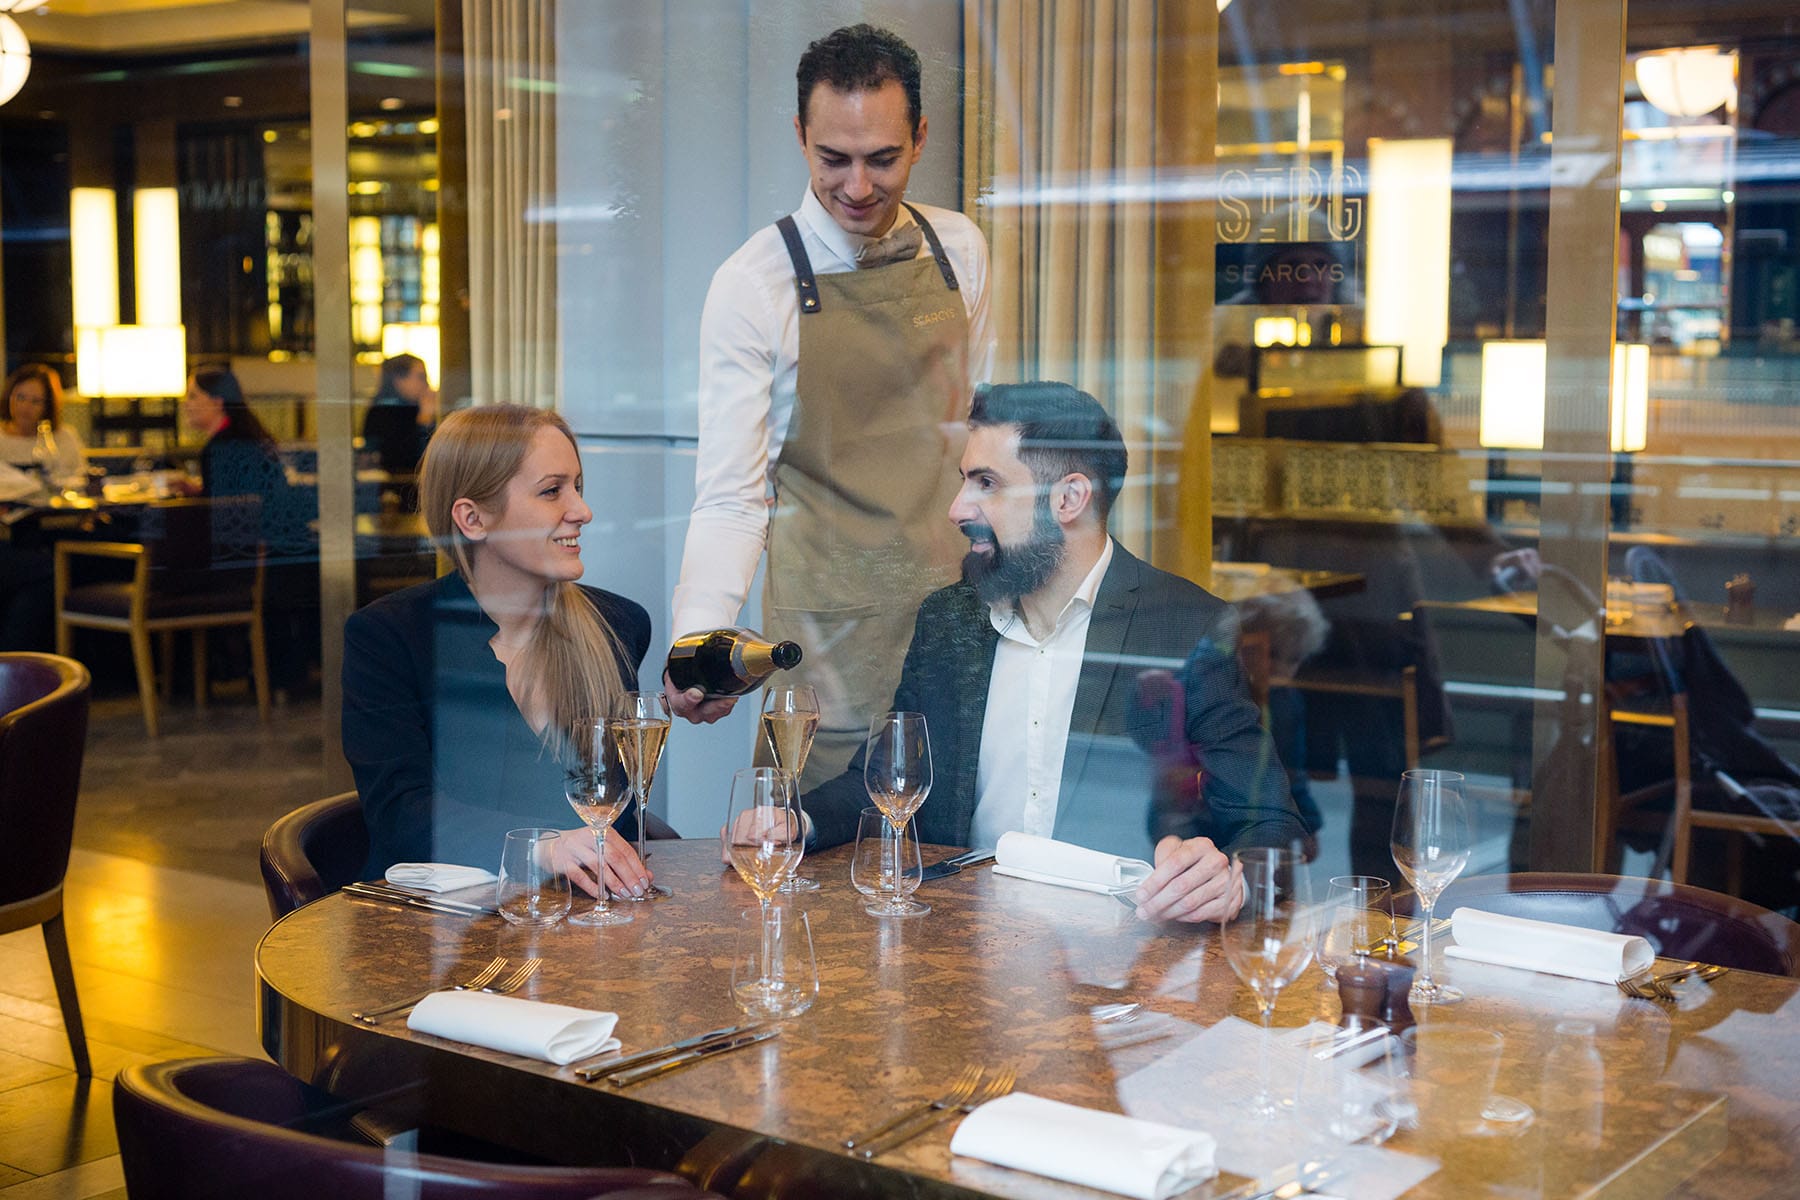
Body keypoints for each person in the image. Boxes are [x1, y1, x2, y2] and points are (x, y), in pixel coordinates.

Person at [801, 382, 1306, 923]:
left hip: (1114, 962)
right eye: (964, 481)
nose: (956, 508)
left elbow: (1271, 826)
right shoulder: (950, 620)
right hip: (953, 945)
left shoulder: (1186, 628)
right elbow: (882, 782)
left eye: (987, 483)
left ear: (1068, 499)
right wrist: (795, 823)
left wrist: (1229, 880)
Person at [667, 23, 994, 787]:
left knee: (954, 868)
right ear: (799, 136)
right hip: (825, 647)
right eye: (832, 159)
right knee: (815, 871)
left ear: (919, 137)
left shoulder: (962, 251)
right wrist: (698, 645)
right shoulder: (754, 285)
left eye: (882, 159)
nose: (857, 187)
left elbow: (982, 441)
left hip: (958, 624)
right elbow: (732, 497)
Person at [341, 404, 657, 899]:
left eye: (578, 486)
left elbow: (617, 811)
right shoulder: (390, 637)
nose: (581, 510)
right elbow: (401, 815)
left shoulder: (618, 625)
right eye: (552, 491)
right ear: (472, 519)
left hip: (577, 923)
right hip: (432, 934)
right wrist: (544, 847)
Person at [0, 364, 84, 482]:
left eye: (35, 401)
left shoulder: (64, 438)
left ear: (47, 406)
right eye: (20, 398)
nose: (25, 407)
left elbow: (79, 479)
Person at [362, 353, 437, 476]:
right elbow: (405, 461)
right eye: (421, 377)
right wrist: (424, 421)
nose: (427, 384)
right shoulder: (382, 412)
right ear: (398, 380)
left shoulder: (417, 408)